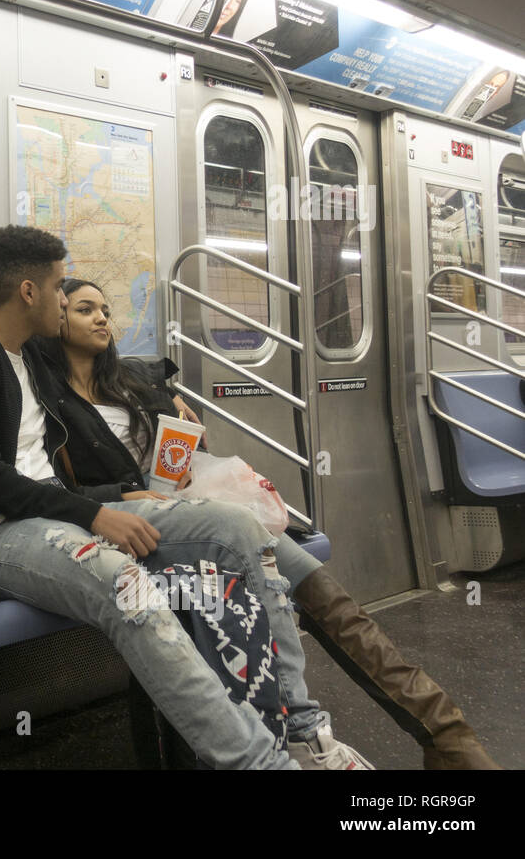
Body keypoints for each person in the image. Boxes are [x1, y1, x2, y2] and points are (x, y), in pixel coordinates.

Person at [0, 225, 376, 768]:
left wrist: (167, 398)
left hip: (61, 509)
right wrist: (94, 513)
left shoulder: (32, 362)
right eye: (59, 288)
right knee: (130, 588)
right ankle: (260, 763)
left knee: (236, 529)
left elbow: (118, 367)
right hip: (4, 532)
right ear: (28, 292)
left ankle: (303, 730)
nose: (65, 301)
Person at [52, 276, 500, 769]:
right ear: (57, 320)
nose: (102, 319)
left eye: (105, 309)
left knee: (319, 586)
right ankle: (309, 734)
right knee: (260, 567)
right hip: (135, 524)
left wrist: (185, 429)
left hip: (190, 506)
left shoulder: (132, 383)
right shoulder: (49, 403)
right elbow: (54, 489)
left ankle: (445, 733)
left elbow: (182, 453)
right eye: (84, 309)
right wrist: (121, 494)